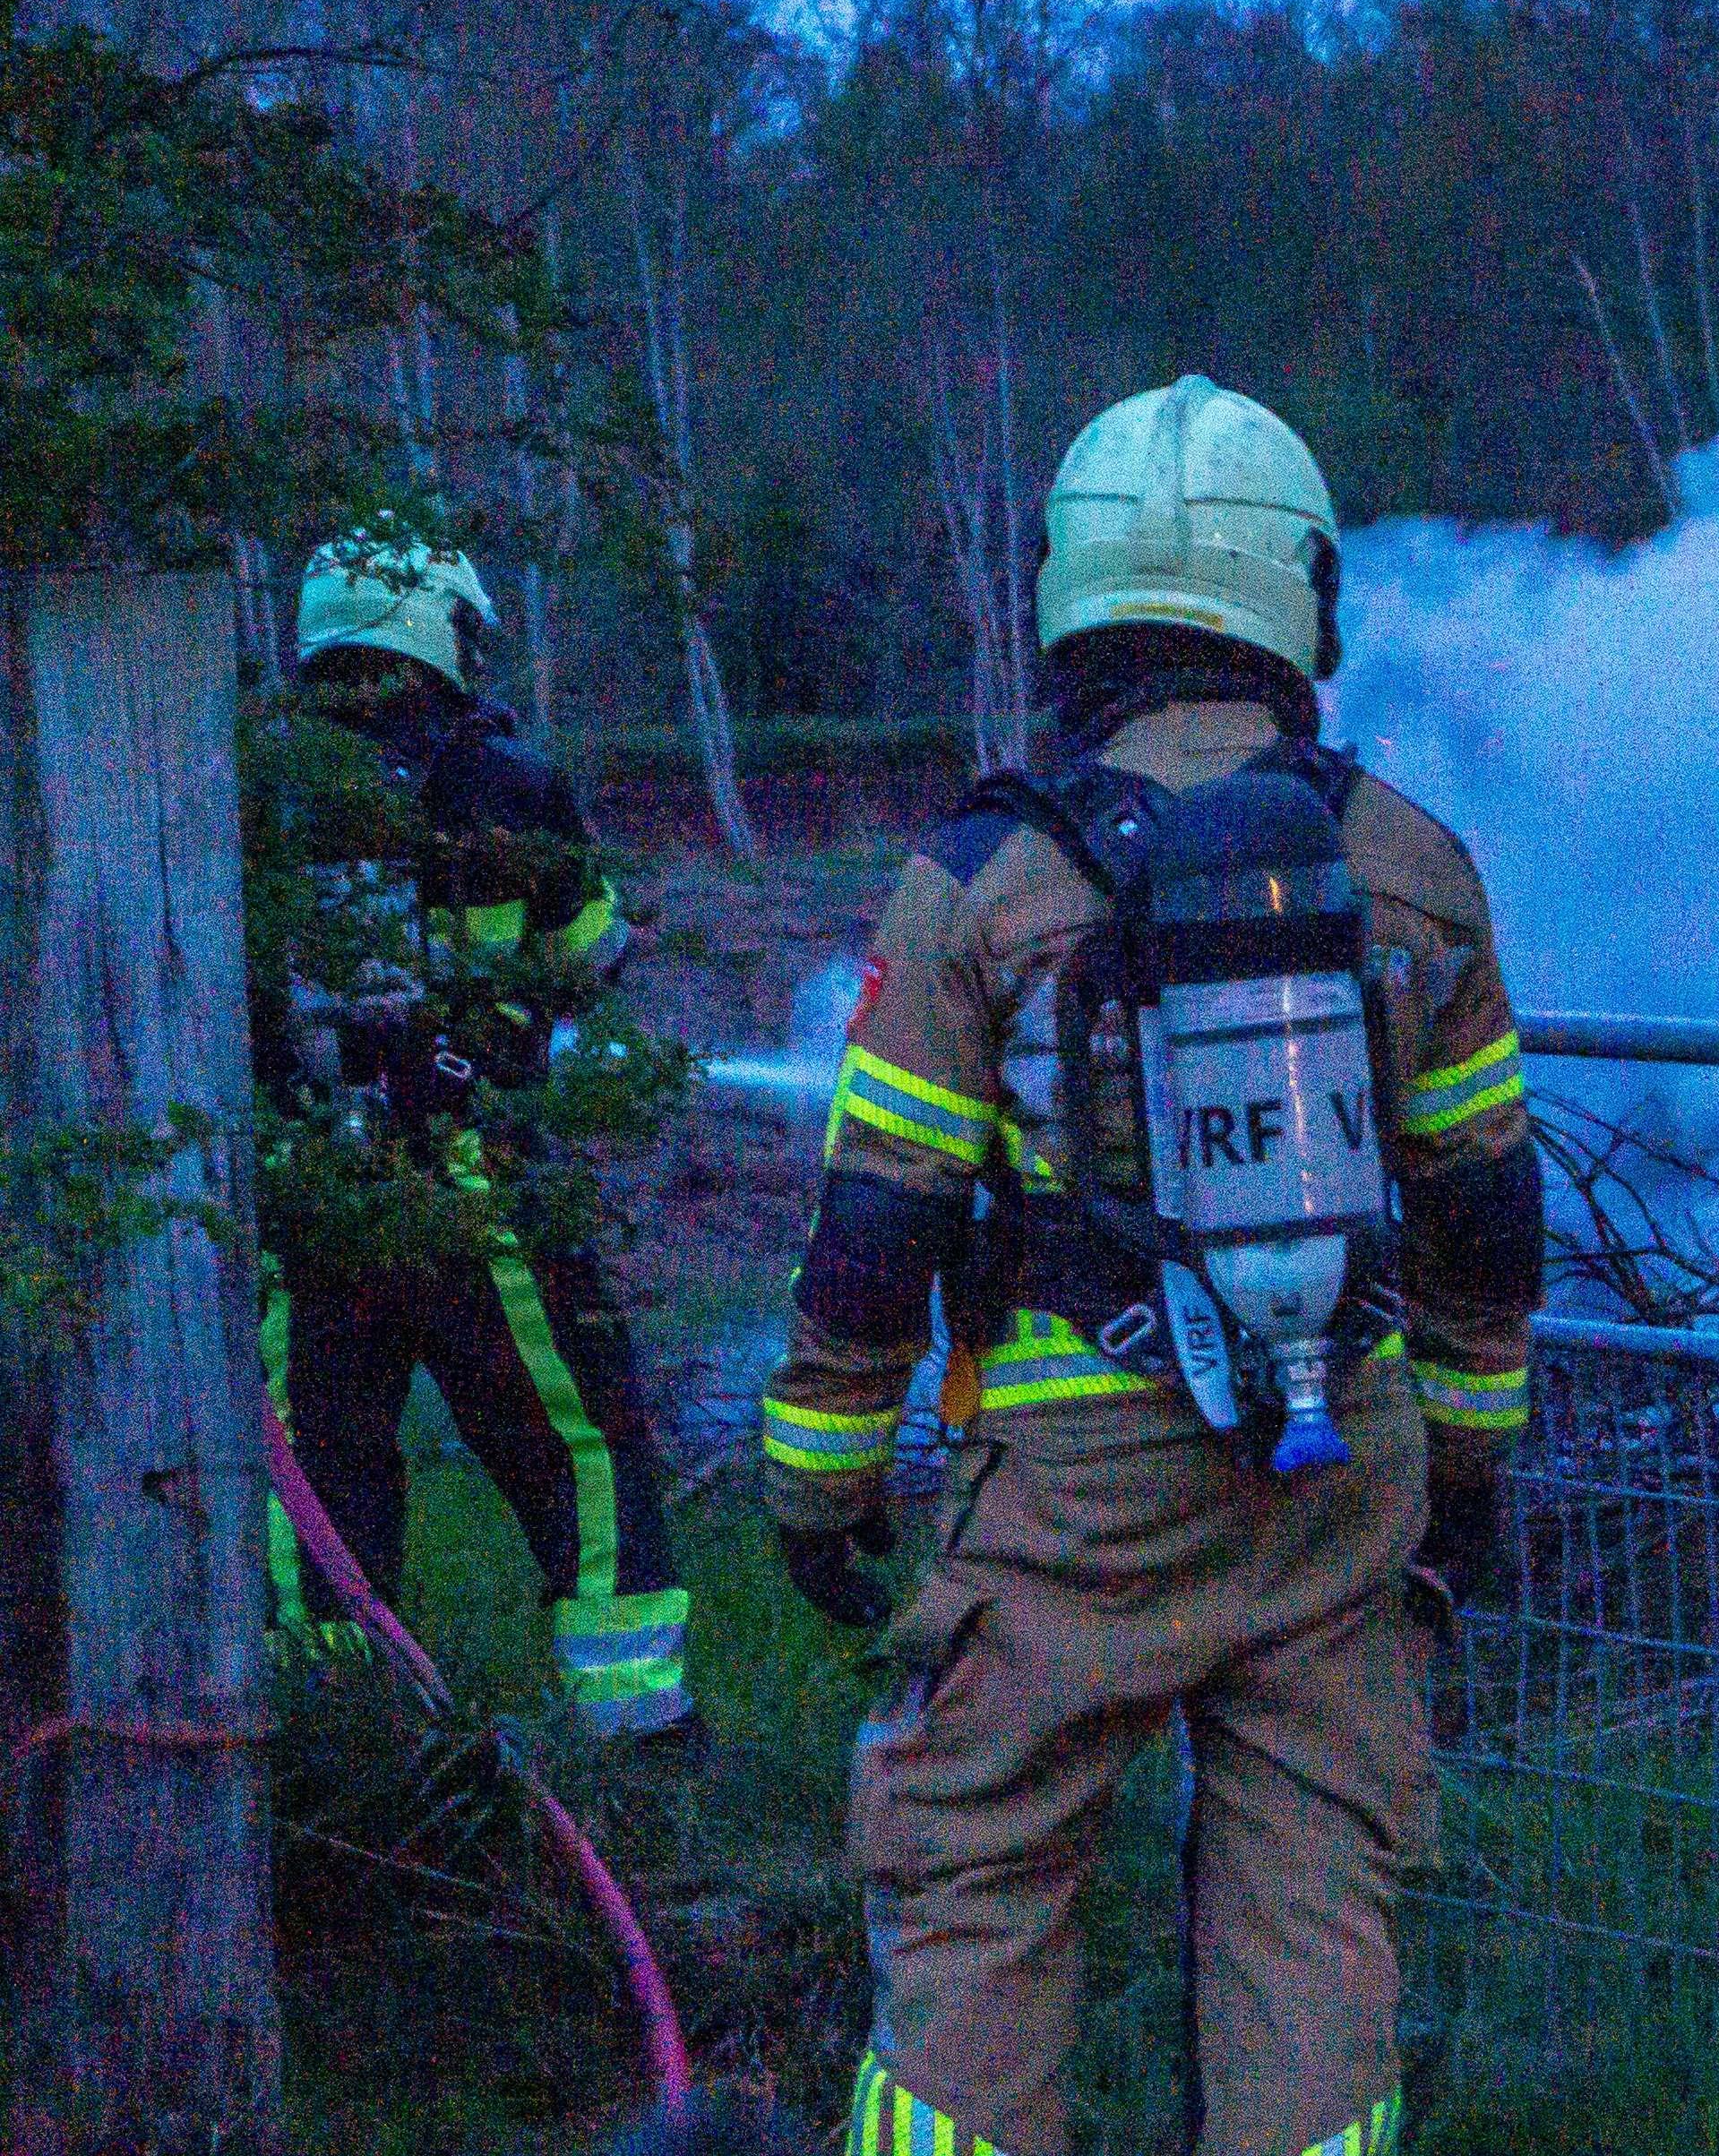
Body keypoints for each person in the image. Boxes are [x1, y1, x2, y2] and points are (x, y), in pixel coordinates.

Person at [763, 375, 1540, 2156]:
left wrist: (817, 1487)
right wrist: (1466, 1474)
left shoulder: (979, 879)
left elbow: (878, 1223)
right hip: (1337, 1473)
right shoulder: (1411, 865)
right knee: (1312, 1905)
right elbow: (1488, 1215)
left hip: (1072, 1499)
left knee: (979, 1882)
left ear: (1072, 592)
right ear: (1301, 596)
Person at [256, 535, 699, 1745]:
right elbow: (588, 955)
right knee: (582, 1454)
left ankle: (332, 1750)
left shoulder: (248, 784)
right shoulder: (504, 781)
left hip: (307, 1202)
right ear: (434, 633)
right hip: (480, 1195)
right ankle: (638, 1741)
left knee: (319, 1488)